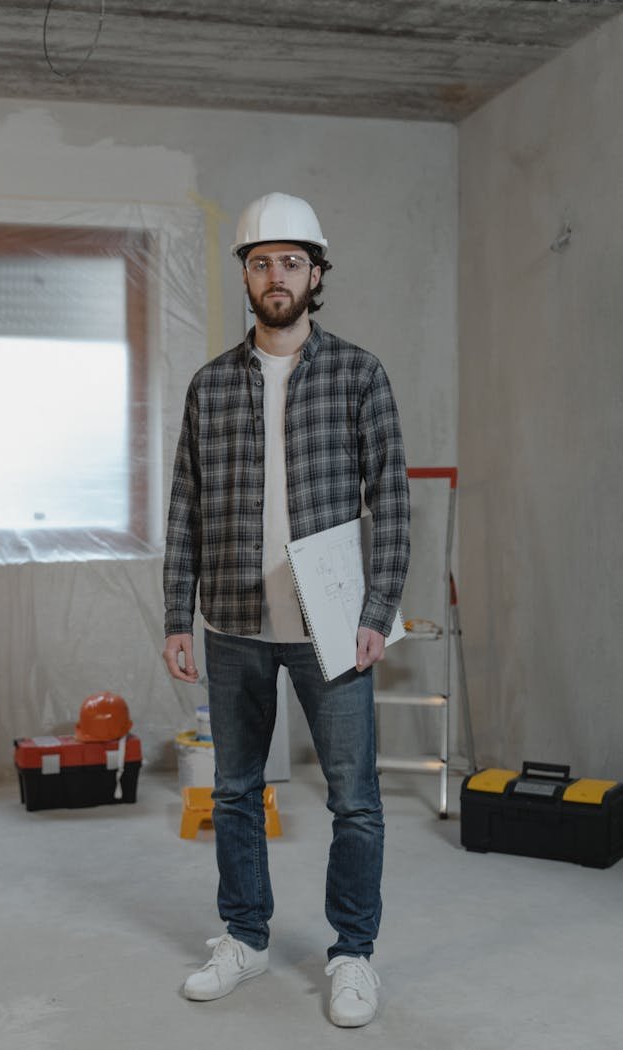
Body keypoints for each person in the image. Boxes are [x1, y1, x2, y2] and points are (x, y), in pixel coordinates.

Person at [162, 192, 410, 1028]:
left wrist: (379, 607)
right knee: (235, 792)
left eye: (292, 262)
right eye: (261, 261)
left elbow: (395, 505)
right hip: (231, 626)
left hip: (331, 628)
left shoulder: (359, 374)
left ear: (316, 272)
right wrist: (174, 616)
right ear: (245, 273)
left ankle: (352, 955)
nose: (277, 276)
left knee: (354, 800)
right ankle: (245, 937)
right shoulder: (209, 386)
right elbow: (185, 509)